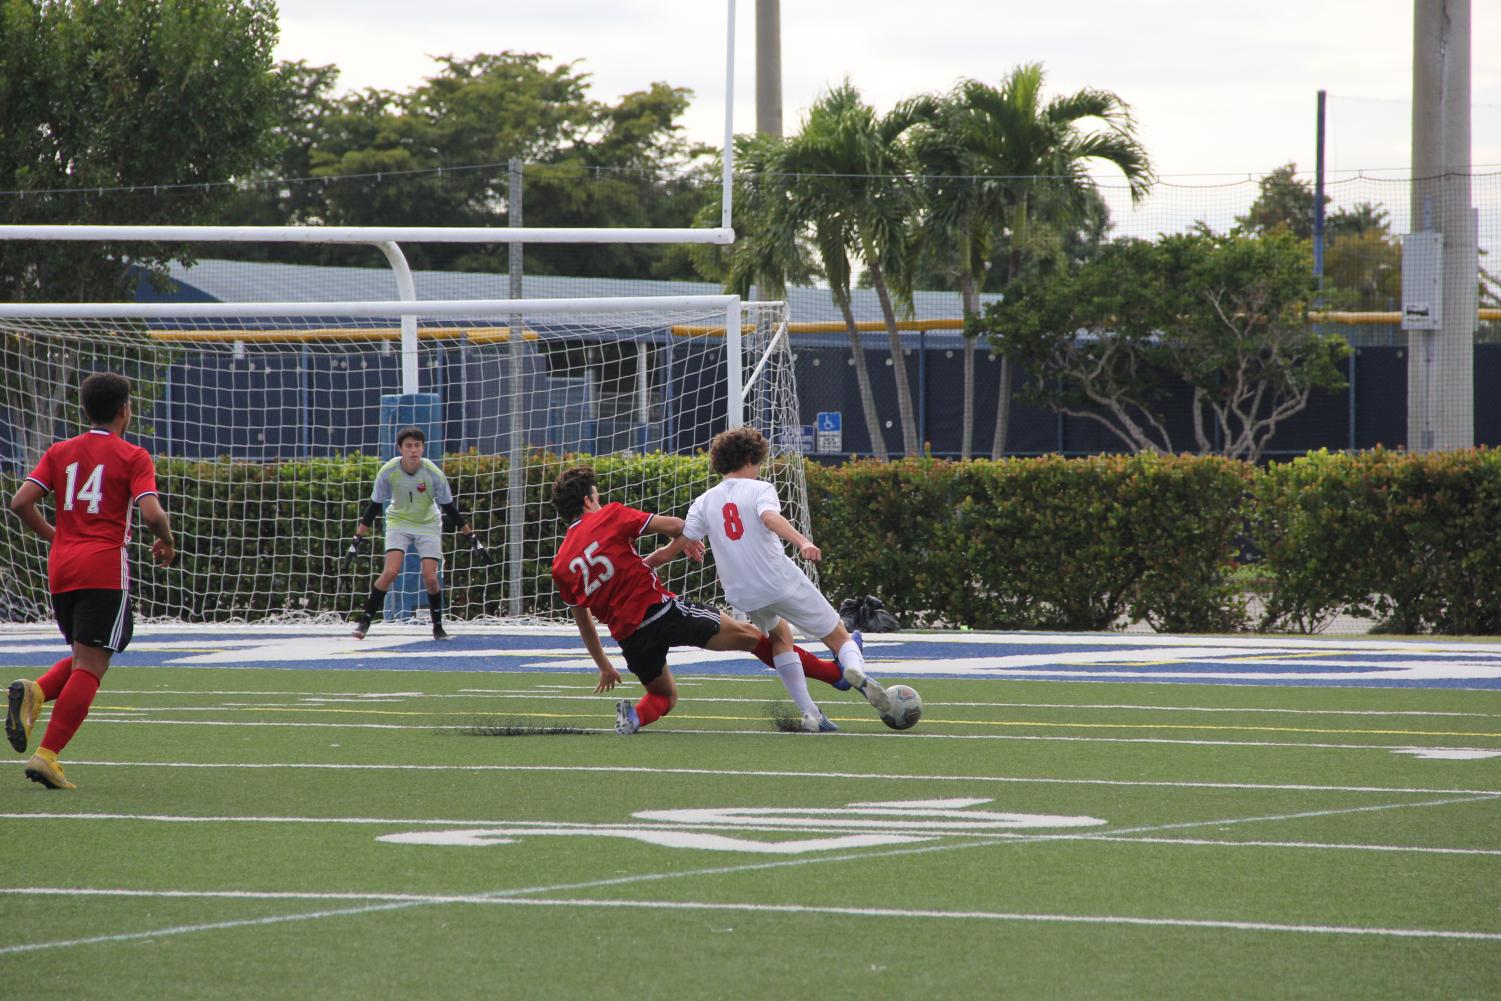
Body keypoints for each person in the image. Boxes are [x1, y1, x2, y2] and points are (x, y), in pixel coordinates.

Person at [550, 465, 848, 735]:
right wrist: (689, 538)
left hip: (630, 639)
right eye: (597, 498)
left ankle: (633, 717)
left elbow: (585, 625)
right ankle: (836, 674)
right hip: (663, 614)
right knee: (754, 637)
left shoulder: (561, 564)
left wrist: (605, 666)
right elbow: (675, 524)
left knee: (663, 697)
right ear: (589, 501)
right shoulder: (609, 515)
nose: (599, 502)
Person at [6, 372, 177, 790]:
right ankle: (46, 756)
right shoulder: (132, 455)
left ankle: (37, 691)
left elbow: (21, 502)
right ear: (124, 410)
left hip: (62, 569)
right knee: (92, 664)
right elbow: (152, 512)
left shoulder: (61, 451)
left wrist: (58, 537)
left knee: (86, 654)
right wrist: (166, 539)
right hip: (102, 567)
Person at [680, 426, 891, 725]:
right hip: (778, 581)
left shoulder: (704, 500)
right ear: (752, 458)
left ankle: (810, 713)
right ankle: (855, 670)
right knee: (839, 636)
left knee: (781, 636)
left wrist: (654, 559)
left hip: (744, 594)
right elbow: (770, 518)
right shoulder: (760, 488)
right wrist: (803, 542)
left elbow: (684, 537)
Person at [344, 426, 490, 641]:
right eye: (409, 446)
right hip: (398, 522)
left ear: (423, 448)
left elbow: (450, 509)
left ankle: (438, 627)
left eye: (418, 446)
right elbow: (374, 507)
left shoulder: (433, 473)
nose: (414, 450)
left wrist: (473, 539)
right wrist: (356, 540)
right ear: (400, 449)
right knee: (391, 572)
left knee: (430, 578)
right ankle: (365, 620)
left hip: (427, 524)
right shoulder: (388, 471)